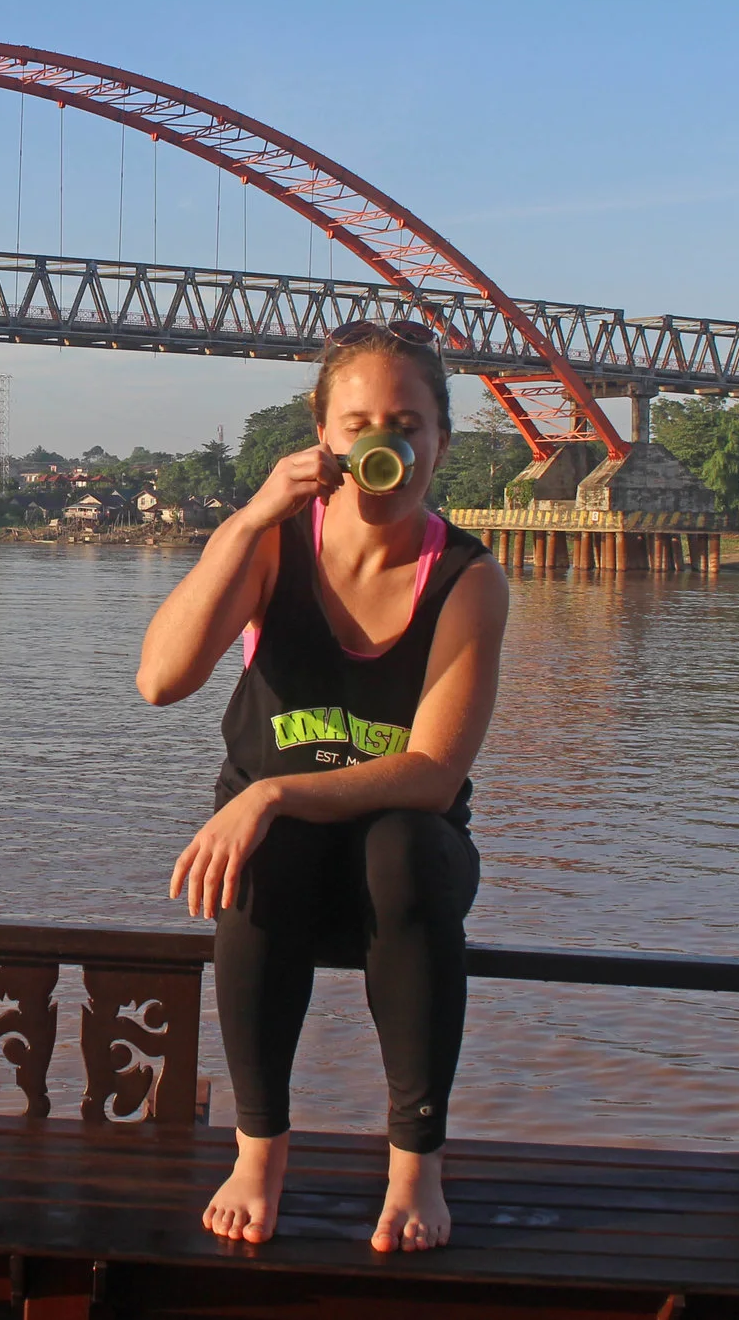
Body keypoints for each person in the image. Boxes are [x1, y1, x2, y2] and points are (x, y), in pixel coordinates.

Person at [136, 320, 507, 1253]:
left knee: (403, 847)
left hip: (403, 873)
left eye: (409, 423)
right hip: (282, 872)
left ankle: (415, 1163)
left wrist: (270, 790)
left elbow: (431, 773)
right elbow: (160, 679)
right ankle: (258, 1153)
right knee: (267, 851)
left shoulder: (467, 576)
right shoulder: (273, 546)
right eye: (360, 424)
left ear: (440, 444)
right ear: (324, 439)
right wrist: (250, 517)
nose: (387, 444)